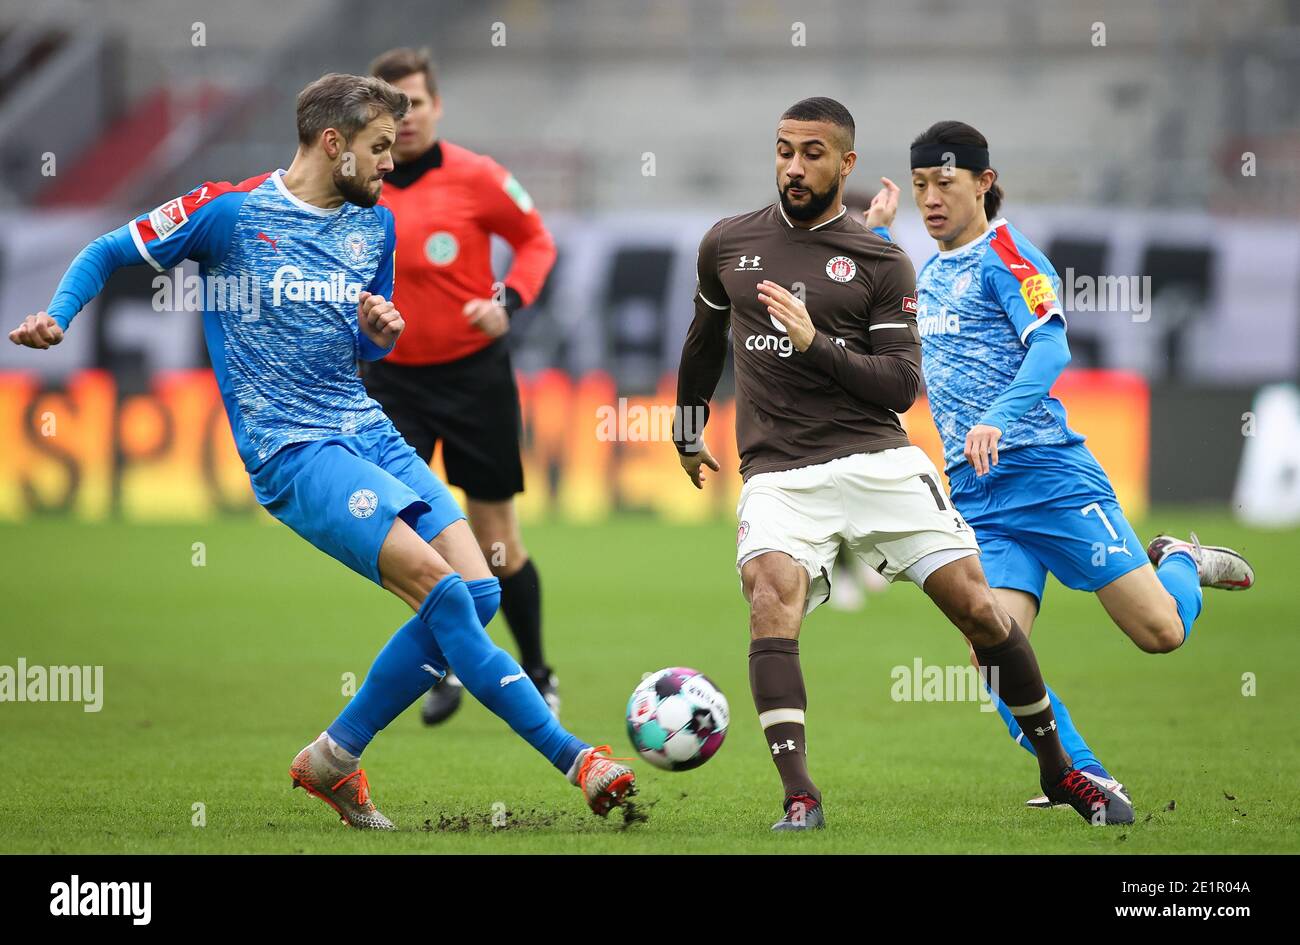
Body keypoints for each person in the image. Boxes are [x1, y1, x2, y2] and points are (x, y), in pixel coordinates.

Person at [8, 72, 634, 830]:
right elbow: (110, 250)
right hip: (292, 448)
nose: (389, 165)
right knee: (439, 590)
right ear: (332, 143)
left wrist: (380, 328)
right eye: (377, 148)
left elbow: (362, 335)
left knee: (481, 592)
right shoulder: (228, 213)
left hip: (365, 425)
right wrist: (59, 316)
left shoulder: (377, 227)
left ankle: (333, 759)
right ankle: (577, 758)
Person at [672, 96, 1132, 831]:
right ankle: (800, 796)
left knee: (979, 611)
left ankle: (1060, 768)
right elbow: (702, 340)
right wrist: (687, 425)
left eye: (812, 153)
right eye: (784, 150)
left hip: (878, 460)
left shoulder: (882, 258)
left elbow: (899, 385)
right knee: (769, 597)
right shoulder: (728, 242)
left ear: (845, 162)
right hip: (781, 472)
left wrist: (814, 341)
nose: (794, 166)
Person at [864, 119, 1254, 808]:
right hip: (980, 498)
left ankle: (1183, 560)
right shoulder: (928, 269)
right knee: (993, 657)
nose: (930, 198)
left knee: (1159, 632)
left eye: (944, 183)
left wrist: (998, 417)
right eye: (921, 184)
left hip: (1048, 475)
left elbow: (1049, 349)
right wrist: (877, 238)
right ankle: (1084, 774)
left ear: (984, 183)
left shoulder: (1012, 256)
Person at [365, 47, 559, 724]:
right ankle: (442, 656)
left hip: (475, 377)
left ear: (437, 105)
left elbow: (537, 241)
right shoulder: (358, 182)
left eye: (414, 102)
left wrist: (507, 297)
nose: (405, 117)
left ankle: (537, 668)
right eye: (390, 105)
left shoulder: (478, 176)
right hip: (389, 384)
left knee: (496, 535)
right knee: (408, 534)